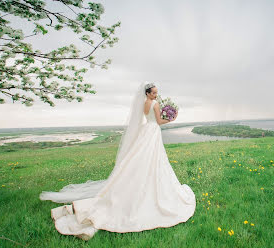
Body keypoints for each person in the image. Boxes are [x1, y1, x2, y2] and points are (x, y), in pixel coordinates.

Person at [39, 82, 196, 240]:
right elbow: (159, 121)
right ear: (148, 93)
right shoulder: (155, 104)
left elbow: (147, 119)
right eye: (154, 93)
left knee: (143, 159)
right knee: (153, 159)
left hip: (146, 132)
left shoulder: (144, 103)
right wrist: (172, 119)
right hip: (153, 132)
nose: (156, 95)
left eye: (156, 93)